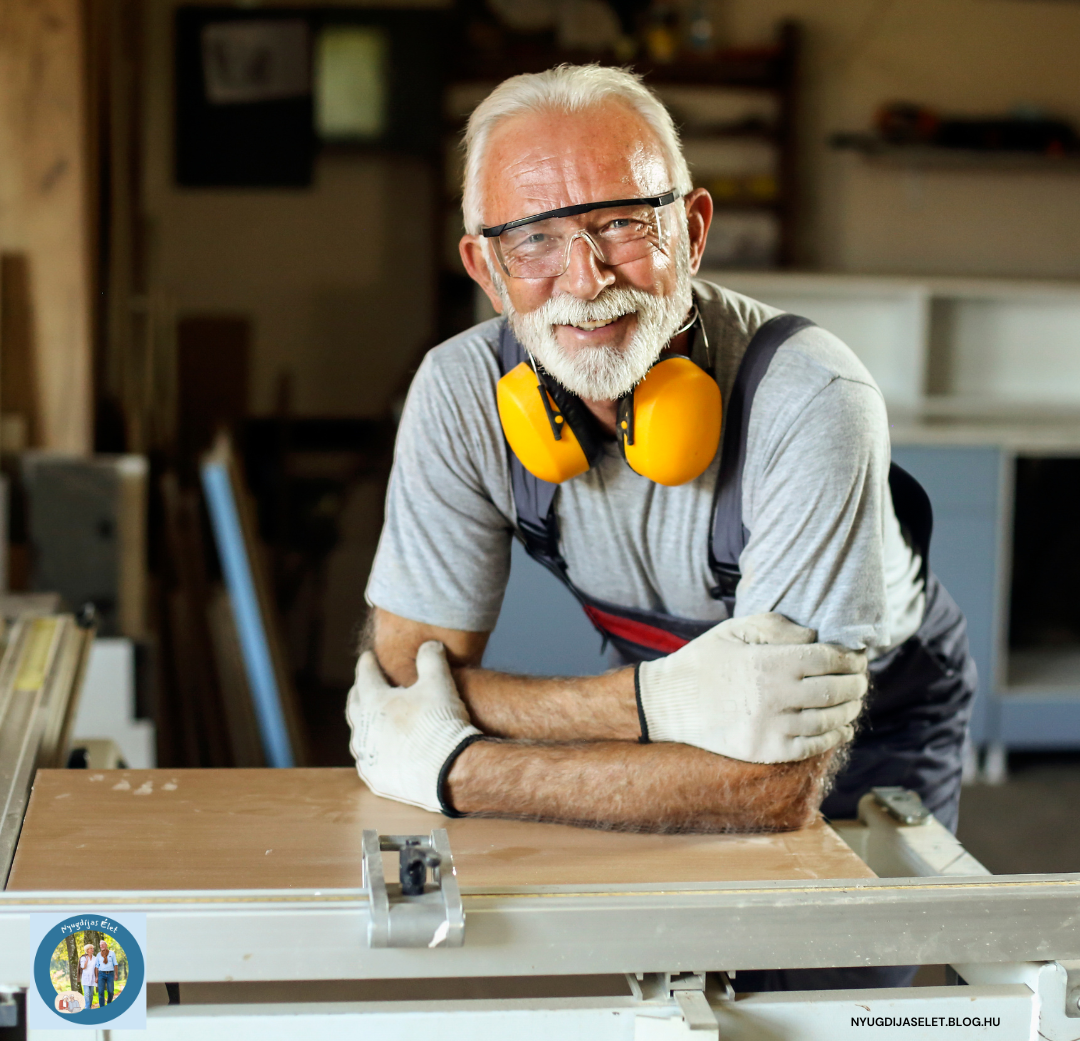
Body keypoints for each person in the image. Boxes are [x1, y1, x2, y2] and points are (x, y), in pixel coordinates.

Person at [348, 65, 975, 988]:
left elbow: (772, 784)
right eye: (535, 241)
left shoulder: (810, 398)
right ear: (485, 268)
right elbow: (411, 679)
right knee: (664, 980)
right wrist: (649, 706)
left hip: (871, 715)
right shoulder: (459, 395)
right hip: (651, 707)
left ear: (692, 229)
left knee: (817, 1001)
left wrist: (457, 769)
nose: (586, 278)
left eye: (621, 224)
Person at [95, 939, 117, 1006]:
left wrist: (116, 974)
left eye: (103, 944)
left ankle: (109, 1003)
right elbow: (96, 966)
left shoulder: (112, 953)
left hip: (110, 974)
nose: (101, 946)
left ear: (106, 945)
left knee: (110, 991)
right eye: (100, 945)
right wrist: (96, 977)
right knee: (101, 992)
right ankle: (102, 1007)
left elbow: (115, 964)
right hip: (101, 974)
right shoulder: (98, 955)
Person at [79, 941, 96, 1009]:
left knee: (91, 994)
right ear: (87, 950)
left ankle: (89, 1006)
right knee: (86, 994)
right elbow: (83, 967)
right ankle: (87, 1007)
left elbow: (97, 967)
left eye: (92, 948)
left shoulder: (95, 958)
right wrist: (86, 960)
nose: (92, 949)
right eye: (91, 948)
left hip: (93, 978)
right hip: (85, 978)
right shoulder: (83, 958)